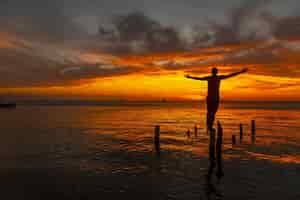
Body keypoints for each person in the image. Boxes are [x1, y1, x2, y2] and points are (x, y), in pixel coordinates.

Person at [185, 67, 248, 132]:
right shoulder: (213, 78)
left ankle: (209, 126)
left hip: (214, 98)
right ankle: (209, 126)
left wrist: (240, 72)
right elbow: (199, 78)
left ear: (213, 72)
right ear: (214, 72)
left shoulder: (216, 78)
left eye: (215, 71)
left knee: (211, 113)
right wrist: (190, 77)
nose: (215, 72)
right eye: (214, 71)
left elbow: (230, 75)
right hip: (211, 98)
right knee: (210, 113)